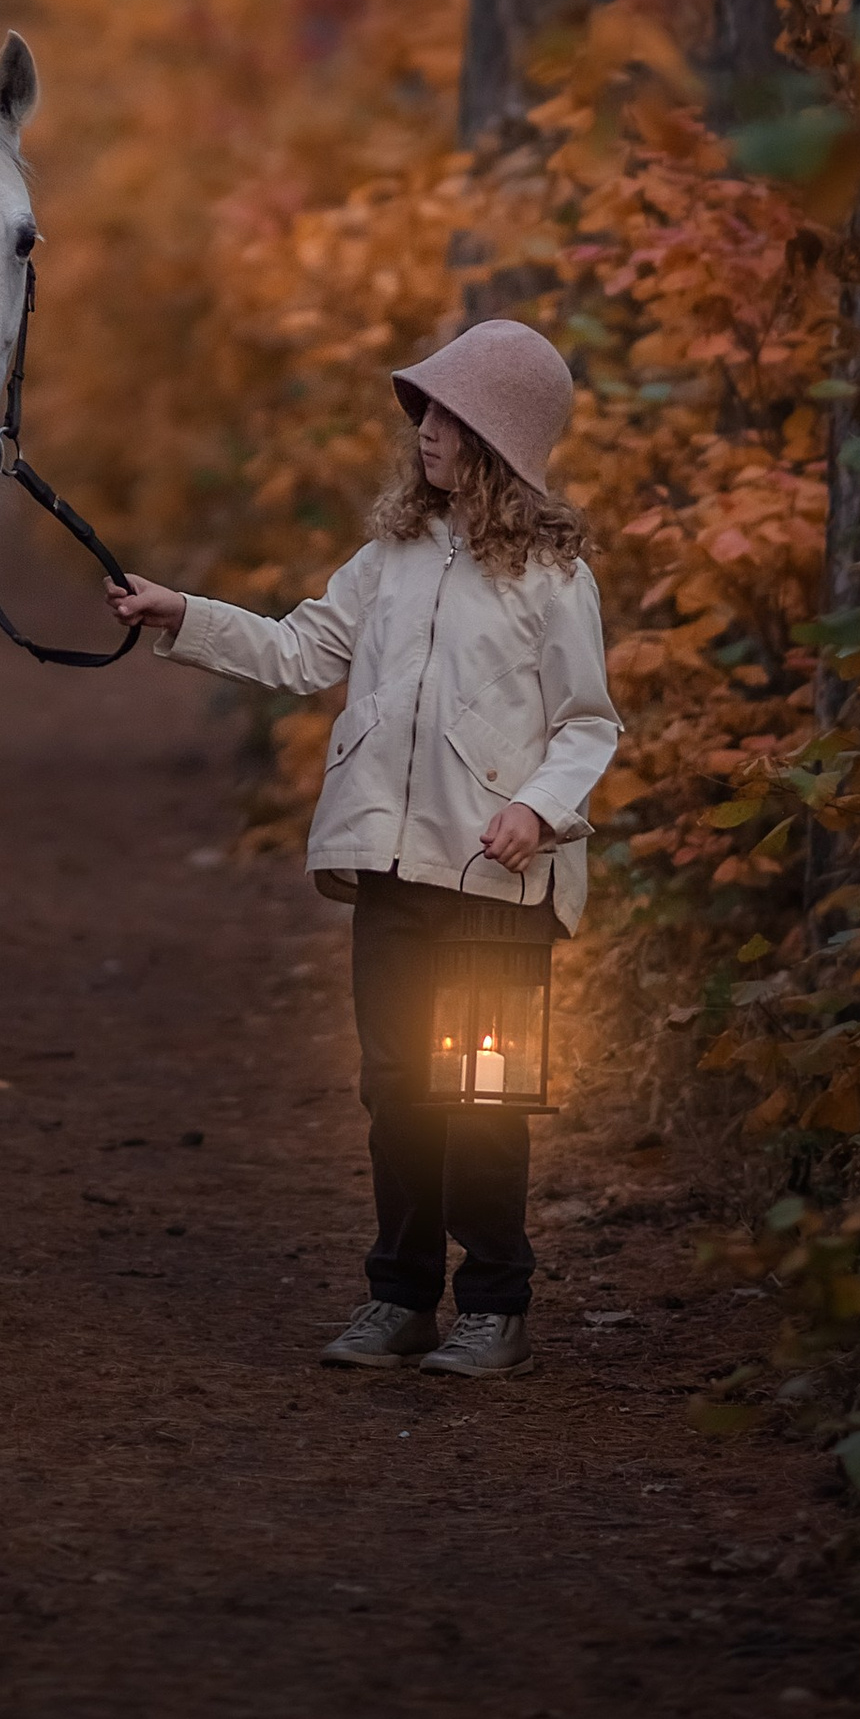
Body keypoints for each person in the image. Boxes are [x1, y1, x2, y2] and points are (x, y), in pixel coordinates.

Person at [108, 319, 620, 1378]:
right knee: (395, 1091)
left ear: (493, 433)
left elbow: (587, 724)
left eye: (442, 412)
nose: (421, 428)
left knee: (482, 1100)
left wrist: (536, 807)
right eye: (422, 408)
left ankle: (494, 1304)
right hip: (395, 872)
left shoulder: (553, 577)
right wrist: (183, 615)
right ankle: (399, 1299)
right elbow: (301, 651)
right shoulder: (388, 555)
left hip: (494, 881)